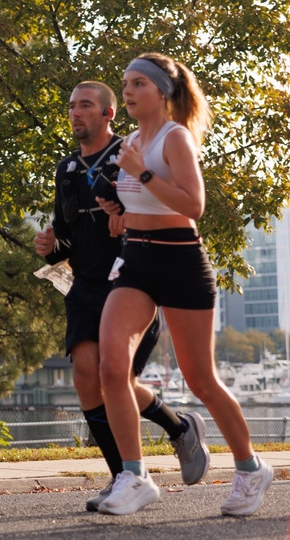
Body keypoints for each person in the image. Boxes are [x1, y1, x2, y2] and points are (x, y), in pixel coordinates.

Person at [94, 54, 272, 516]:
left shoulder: (175, 139)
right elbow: (145, 207)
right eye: (125, 84)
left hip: (180, 262)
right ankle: (133, 475)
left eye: (137, 84)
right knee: (112, 367)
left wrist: (142, 172)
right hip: (136, 261)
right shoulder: (131, 141)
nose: (128, 92)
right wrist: (119, 216)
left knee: (202, 380)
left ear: (162, 92)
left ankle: (251, 467)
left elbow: (193, 205)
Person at [34, 80, 210, 513]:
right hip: (84, 285)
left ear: (109, 113)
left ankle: (179, 426)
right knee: (85, 377)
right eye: (72, 106)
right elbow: (68, 235)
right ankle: (125, 479)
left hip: (132, 280)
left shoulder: (131, 155)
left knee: (118, 380)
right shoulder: (67, 169)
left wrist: (129, 220)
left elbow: (166, 212)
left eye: (86, 106)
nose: (76, 113)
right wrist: (50, 245)